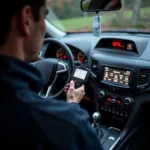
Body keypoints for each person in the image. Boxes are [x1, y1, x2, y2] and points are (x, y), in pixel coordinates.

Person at [0, 0, 103, 150]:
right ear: (26, 18)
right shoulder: (70, 124)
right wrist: (73, 104)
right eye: (44, 17)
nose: (43, 28)